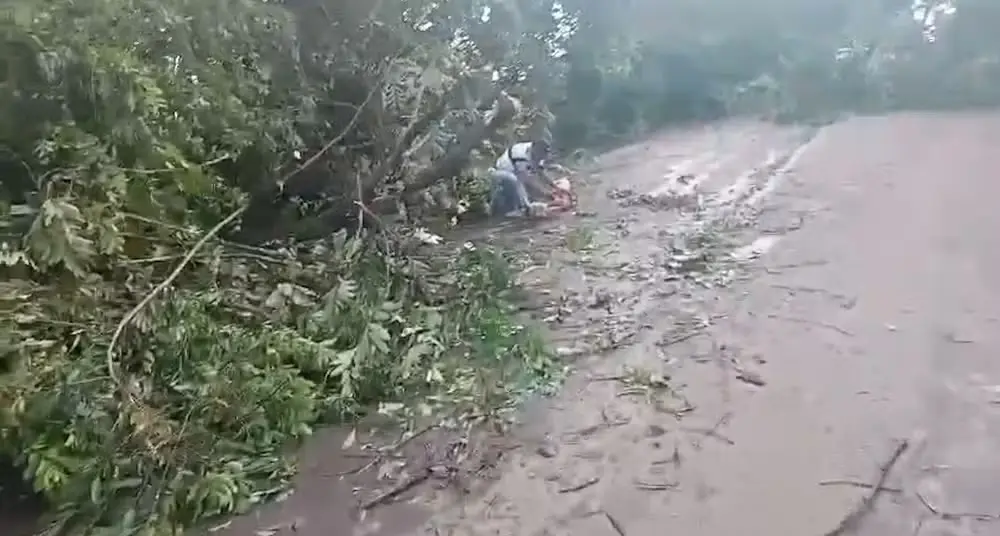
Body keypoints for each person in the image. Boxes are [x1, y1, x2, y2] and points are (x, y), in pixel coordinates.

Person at [489, 140, 552, 218]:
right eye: (541, 156)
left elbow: (541, 172)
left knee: (522, 185)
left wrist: (554, 186)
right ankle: (525, 207)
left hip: (515, 174)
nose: (541, 158)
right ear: (535, 151)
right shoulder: (521, 156)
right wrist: (545, 193)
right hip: (500, 173)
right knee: (516, 181)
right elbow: (525, 181)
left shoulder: (538, 153)